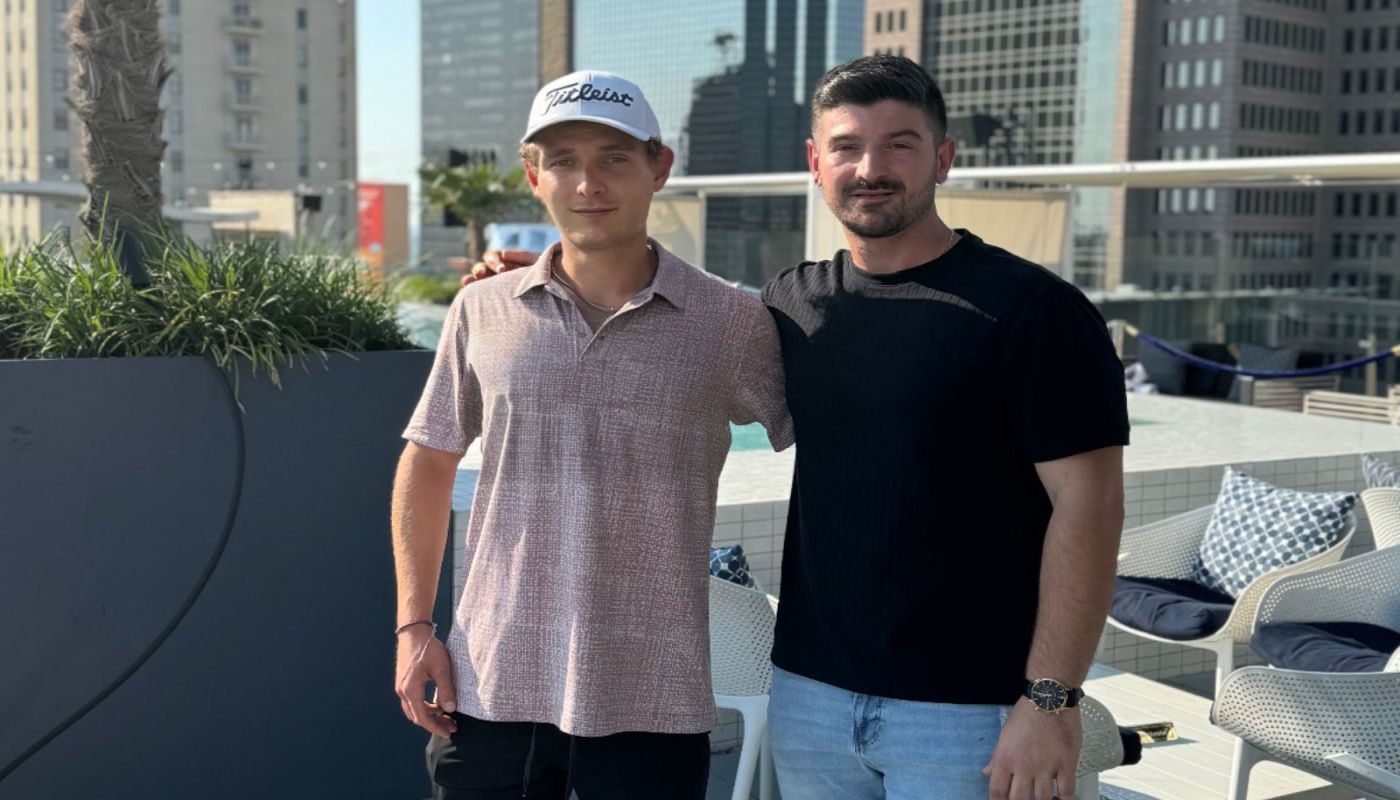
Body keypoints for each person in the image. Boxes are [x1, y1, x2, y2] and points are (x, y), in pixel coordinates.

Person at [468, 55, 1129, 800]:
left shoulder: (1035, 310)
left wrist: (1052, 699)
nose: (870, 168)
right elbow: (672, 323)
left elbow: (1091, 506)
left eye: (900, 145)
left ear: (943, 159)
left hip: (968, 712)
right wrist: (547, 276)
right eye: (847, 147)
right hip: (811, 699)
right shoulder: (792, 303)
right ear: (816, 163)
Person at [391, 69, 792, 800]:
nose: (588, 182)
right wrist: (414, 625)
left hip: (654, 696)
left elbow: (831, 445)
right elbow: (428, 460)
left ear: (658, 167)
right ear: (533, 176)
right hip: (491, 684)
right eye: (564, 161)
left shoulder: (731, 323)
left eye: (614, 158)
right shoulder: (482, 309)